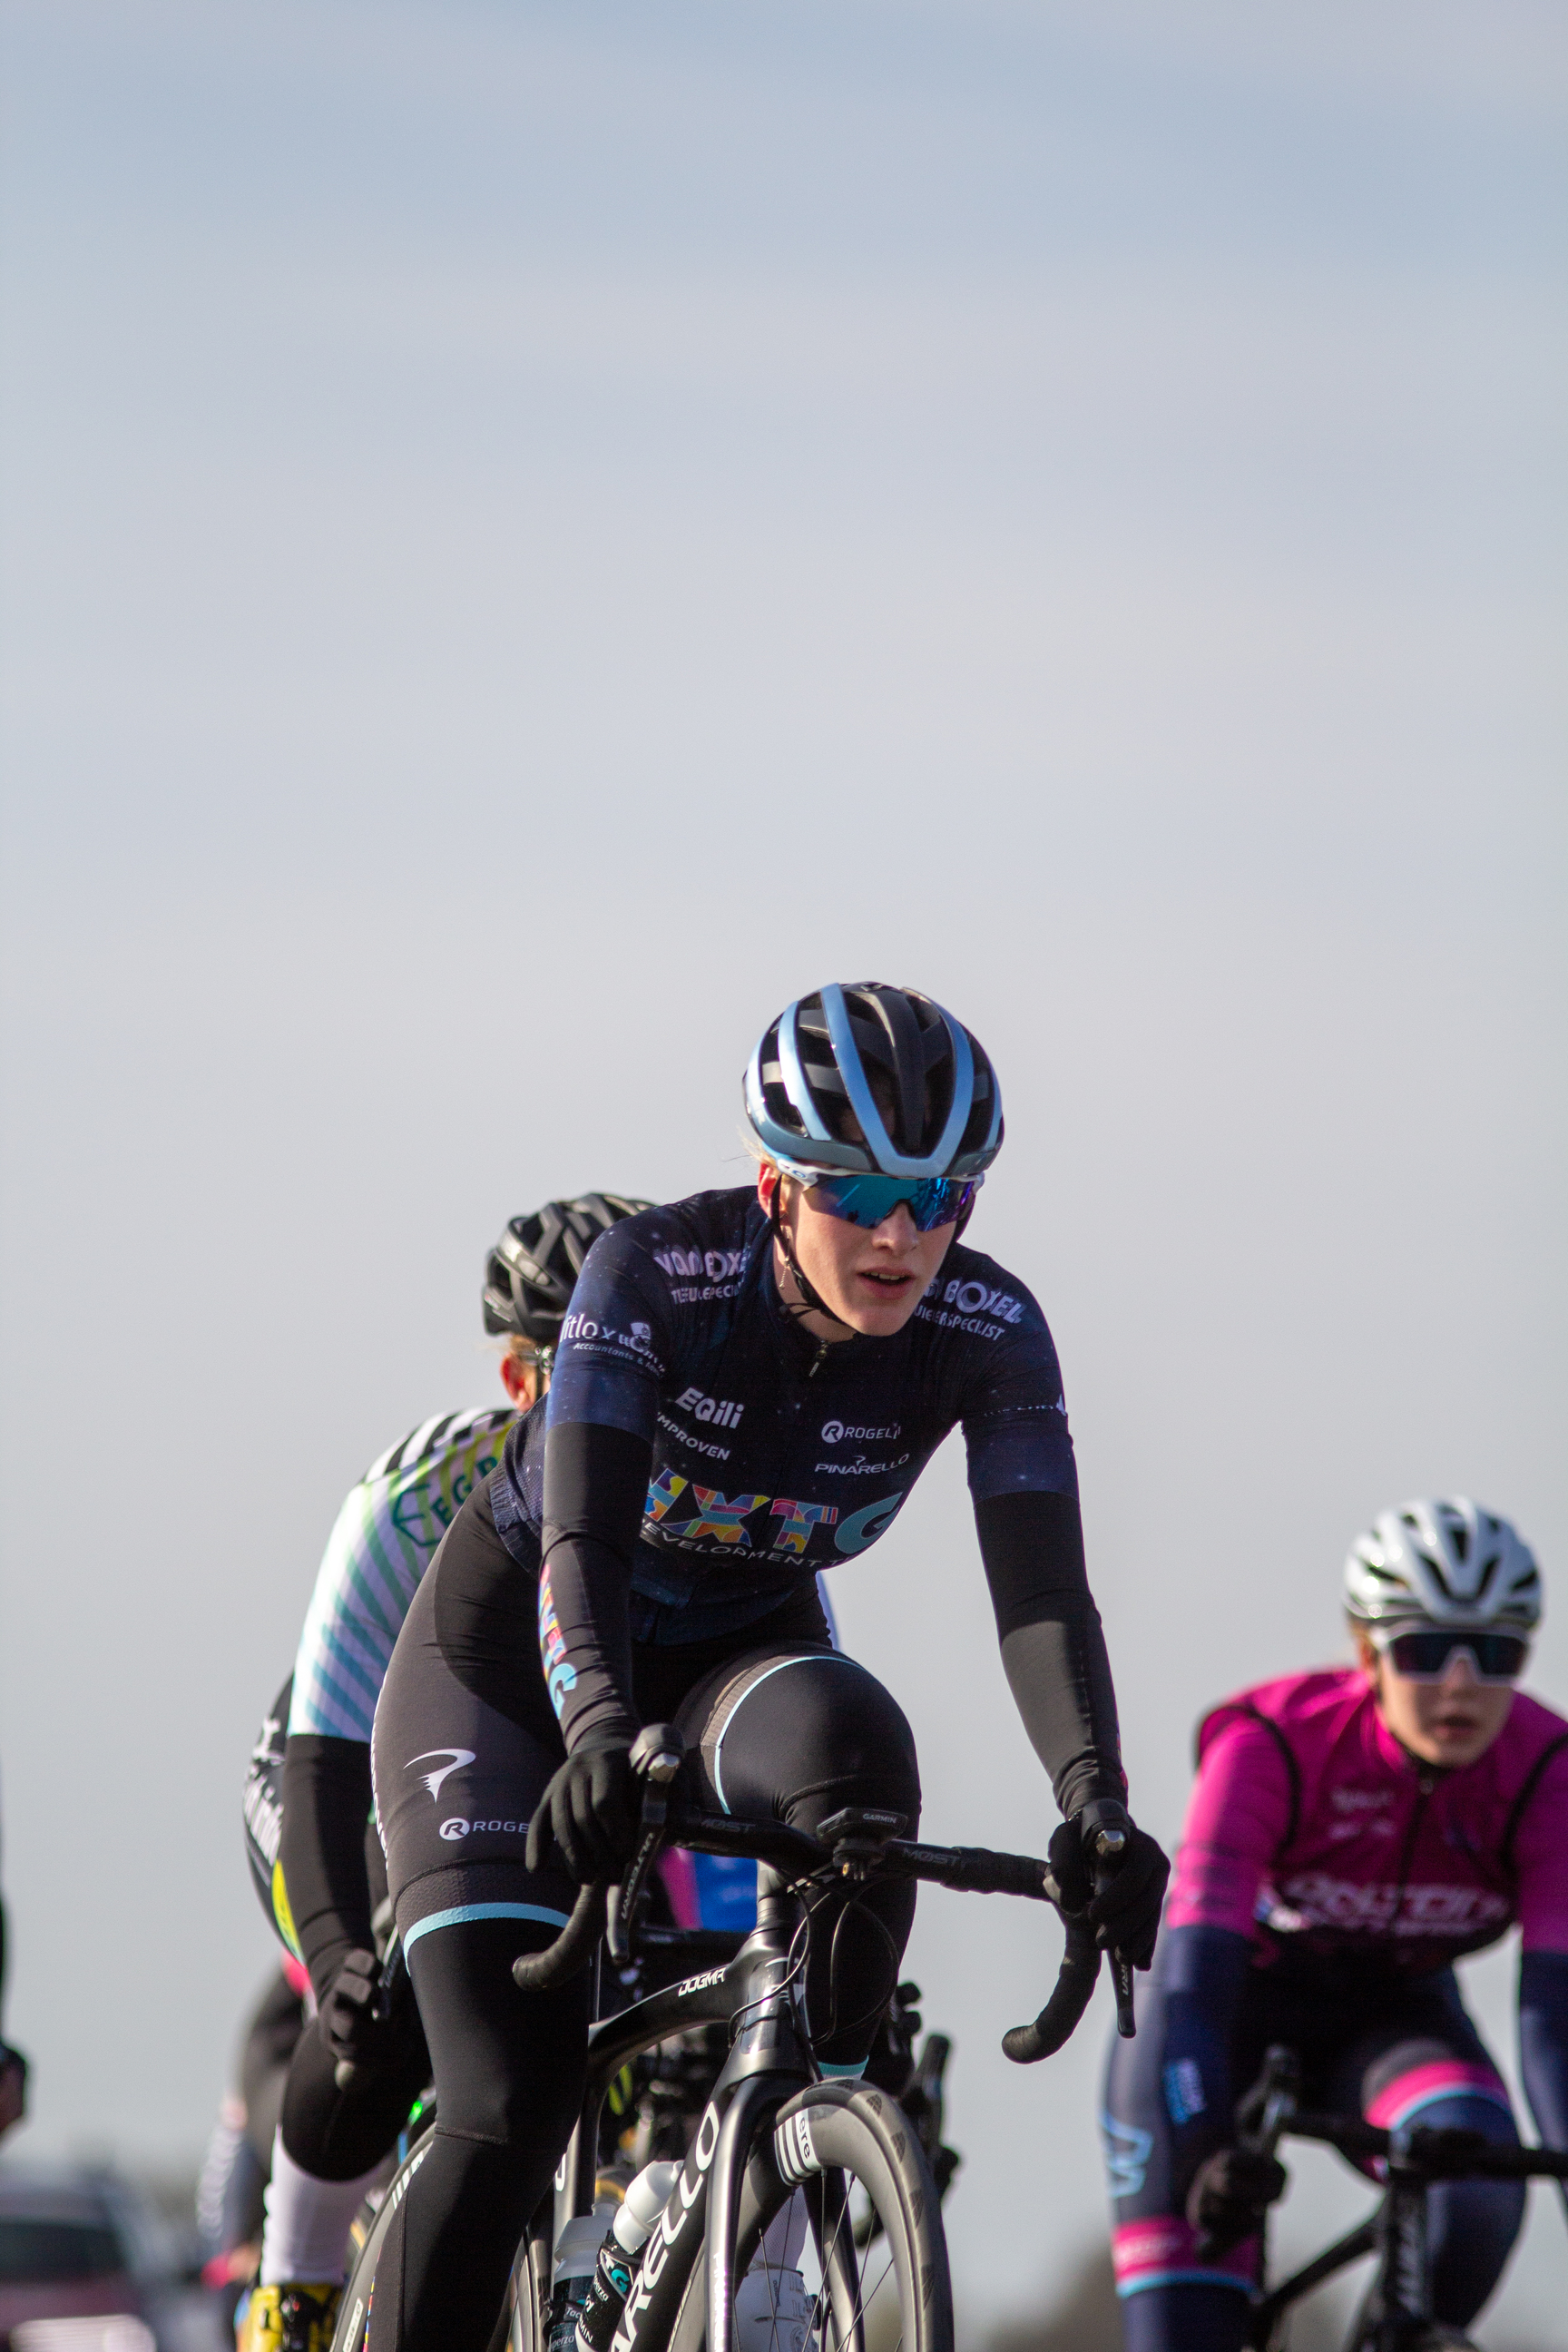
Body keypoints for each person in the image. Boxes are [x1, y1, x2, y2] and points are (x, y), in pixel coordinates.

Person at [368, 979, 1171, 2352]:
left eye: (943, 1196)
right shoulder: (658, 1279)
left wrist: (1094, 1801)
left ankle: (801, 2138)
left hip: (739, 1646)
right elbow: (583, 1549)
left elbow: (1043, 1592)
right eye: (859, 1192)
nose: (904, 1233)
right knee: (509, 2099)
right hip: (516, 1661)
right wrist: (600, 1726)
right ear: (775, 1185)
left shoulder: (986, 1331)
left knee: (861, 1772)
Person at [237, 1195, 649, 2352]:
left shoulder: (707, 1491)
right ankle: (296, 2280)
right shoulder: (412, 1496)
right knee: (381, 1996)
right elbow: (324, 1753)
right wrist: (333, 1961)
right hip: (350, 1765)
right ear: (518, 1383)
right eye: (580, 1369)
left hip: (553, 1767)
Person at [1102, 1496, 1568, 2352]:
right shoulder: (1271, 1743)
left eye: (1496, 1654)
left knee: (1478, 2179)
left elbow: (1556, 2017)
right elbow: (1192, 1982)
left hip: (1392, 2026)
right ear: (1367, 1652)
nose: (1461, 1685)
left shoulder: (1546, 1770)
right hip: (1222, 2023)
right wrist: (1205, 2145)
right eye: (1424, 1652)